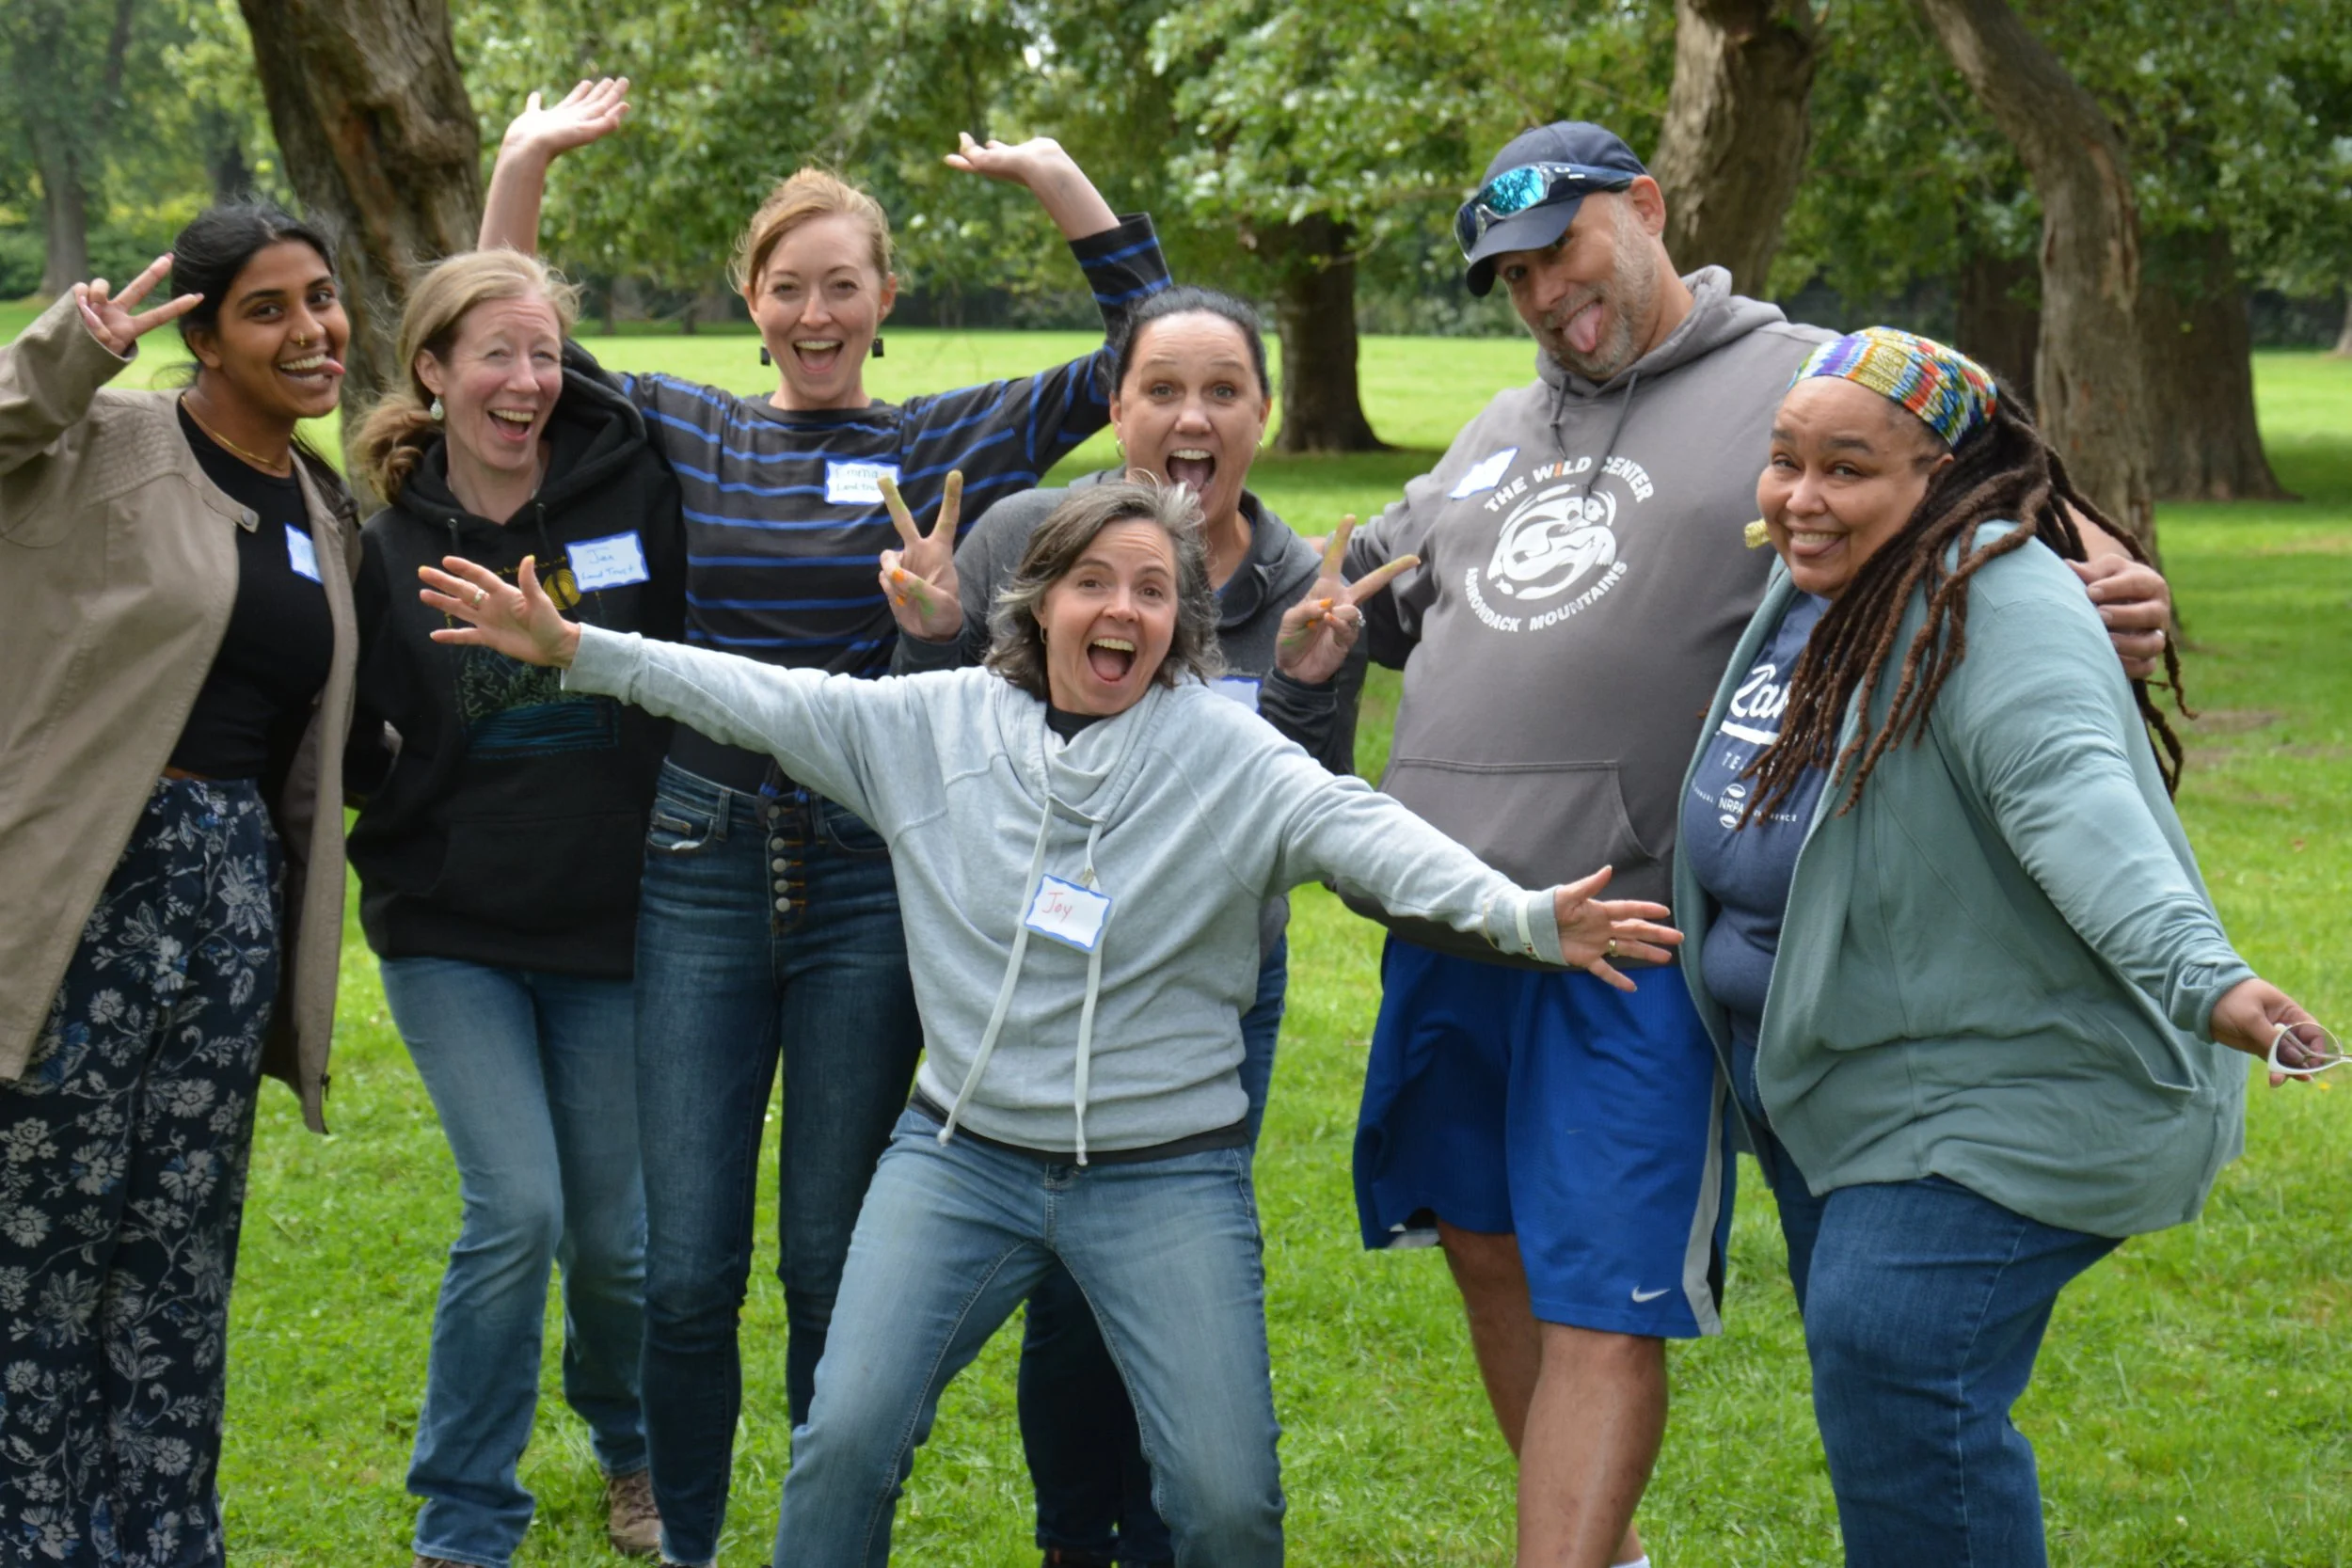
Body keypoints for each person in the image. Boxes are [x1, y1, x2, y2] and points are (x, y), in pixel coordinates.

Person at [419, 475, 1678, 1568]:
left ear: (1182, 624)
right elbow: (754, 694)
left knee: (1226, 1503)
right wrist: (579, 647)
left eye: (1151, 589)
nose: (1118, 610)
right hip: (959, 1155)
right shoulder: (931, 726)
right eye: (1091, 581)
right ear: (1039, 603)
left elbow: (1372, 837)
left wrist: (1523, 915)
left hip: (1165, 1173)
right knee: (846, 1439)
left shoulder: (1230, 756)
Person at [1337, 121, 2180, 1568]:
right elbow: (1365, 586)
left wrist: (2096, 576)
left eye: (1563, 255)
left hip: (1633, 933)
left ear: (1648, 209)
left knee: (1601, 1289)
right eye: (1512, 279)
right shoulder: (1495, 429)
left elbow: (1998, 488)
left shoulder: (1805, 373)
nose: (1544, 297)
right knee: (1483, 1247)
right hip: (1456, 927)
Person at [475, 81, 1173, 1567]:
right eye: (787, 286)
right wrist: (523, 161)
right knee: (686, 1270)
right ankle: (693, 1541)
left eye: (840, 284)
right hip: (699, 859)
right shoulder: (694, 425)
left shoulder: (944, 437)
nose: (814, 310)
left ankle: (820, 1537)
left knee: (825, 1259)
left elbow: (1149, 352)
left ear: (883, 298)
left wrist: (1063, 181)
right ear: (753, 299)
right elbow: (509, 336)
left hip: (871, 874)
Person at [1674, 325, 2331, 1565]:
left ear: (1946, 477)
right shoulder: (1817, 578)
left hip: (2005, 1079)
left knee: (1893, 1348)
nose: (1802, 498)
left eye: (1848, 468)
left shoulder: (1991, 598)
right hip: (1841, 1077)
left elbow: (2078, 806)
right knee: (1885, 1399)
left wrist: (2215, 983)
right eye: (1785, 460)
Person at [892, 284, 1407, 1567]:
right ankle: (1077, 1541)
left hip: (1204, 987)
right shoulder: (1028, 533)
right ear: (1116, 407)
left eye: (1222, 389)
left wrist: (1301, 679)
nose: (1191, 416)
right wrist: (924, 638)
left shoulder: (1300, 578)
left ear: (1262, 414)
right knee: (1067, 1298)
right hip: (1033, 971)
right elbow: (939, 738)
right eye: (1161, 388)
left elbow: (1298, 812)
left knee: (1167, 1285)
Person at [0, 209, 360, 1566]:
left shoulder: (321, 506)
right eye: (267, 309)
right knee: (40, 1246)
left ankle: (161, 1534)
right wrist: (61, 358)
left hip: (226, 913)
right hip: (82, 889)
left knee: (177, 1251)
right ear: (199, 336)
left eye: (321, 299)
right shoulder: (109, 441)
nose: (311, 330)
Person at [347, 249, 690, 1568]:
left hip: (613, 930)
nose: (528, 380)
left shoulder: (628, 490)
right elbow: (348, 732)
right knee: (519, 1210)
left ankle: (633, 1445)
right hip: (453, 933)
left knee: (616, 1241)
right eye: (494, 352)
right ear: (432, 372)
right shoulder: (384, 545)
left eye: (545, 353)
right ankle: (463, 1509)